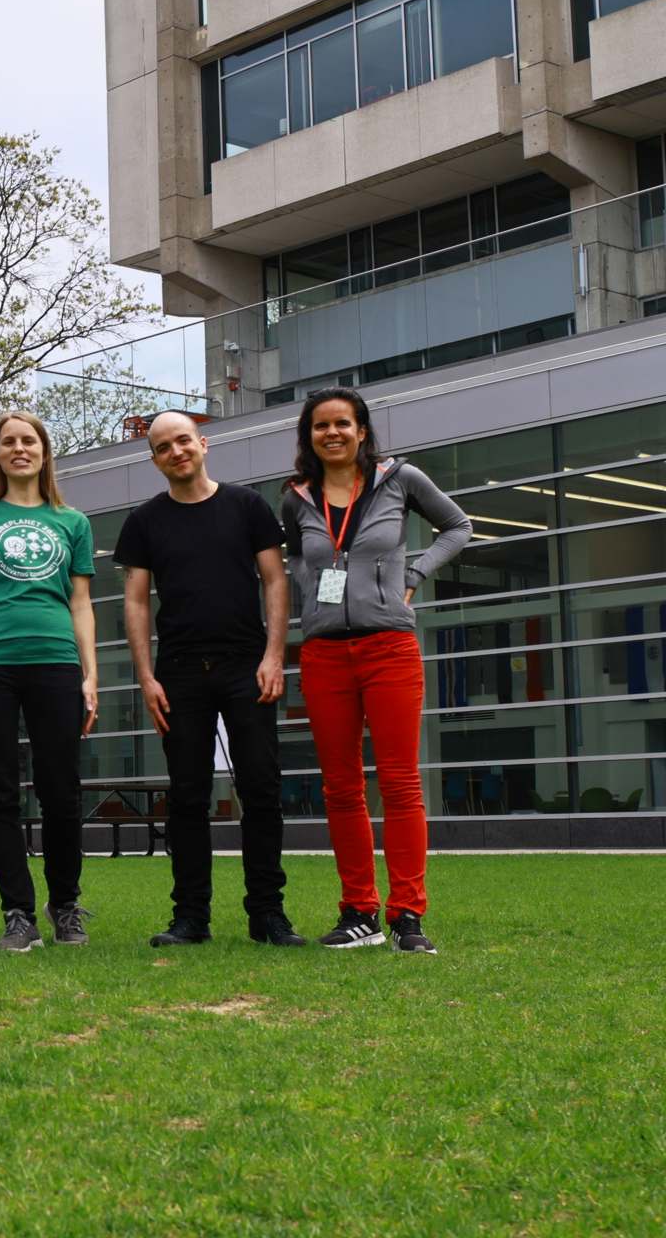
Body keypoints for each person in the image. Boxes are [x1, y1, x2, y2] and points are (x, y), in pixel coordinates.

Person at [282, 388, 470, 953]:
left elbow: (458, 527)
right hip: (323, 654)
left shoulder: (401, 479)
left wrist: (414, 571)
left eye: (343, 423)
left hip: (389, 646)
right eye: (321, 426)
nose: (332, 433)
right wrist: (309, 594)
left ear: (362, 430)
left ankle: (407, 914)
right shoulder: (294, 498)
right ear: (309, 436)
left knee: (400, 781)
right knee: (340, 787)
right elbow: (293, 556)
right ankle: (358, 911)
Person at [115, 411, 304, 948]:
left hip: (248, 667)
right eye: (162, 447)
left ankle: (268, 914)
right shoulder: (145, 522)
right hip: (178, 675)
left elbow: (274, 581)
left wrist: (274, 655)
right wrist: (146, 677)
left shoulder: (247, 507)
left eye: (182, 441)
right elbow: (135, 601)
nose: (175, 452)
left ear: (203, 443)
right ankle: (190, 918)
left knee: (261, 791)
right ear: (153, 460)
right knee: (188, 798)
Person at [0, 410, 97, 952]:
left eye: (29, 440)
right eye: (9, 442)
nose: (19, 449)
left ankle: (66, 905)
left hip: (55, 659)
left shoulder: (72, 522)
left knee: (61, 792)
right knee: (1, 793)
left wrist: (91, 673)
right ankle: (17, 914)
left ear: (44, 451)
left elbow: (80, 602)